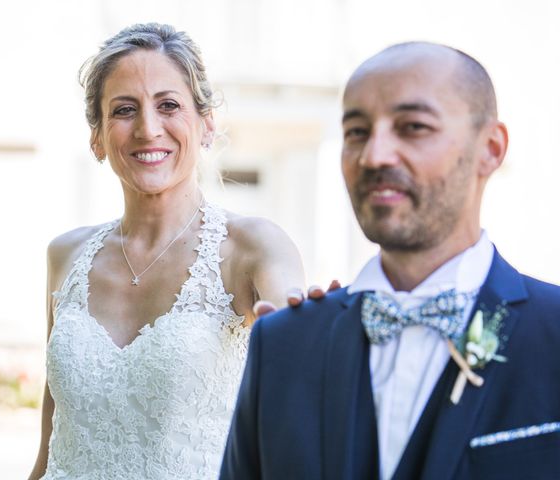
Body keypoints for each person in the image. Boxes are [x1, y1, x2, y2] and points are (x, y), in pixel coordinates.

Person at [220, 42, 560, 480]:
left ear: (490, 148)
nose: (374, 156)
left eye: (413, 127)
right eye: (357, 132)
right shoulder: (283, 344)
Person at [27, 23, 305, 480]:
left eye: (169, 105)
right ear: (97, 137)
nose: (148, 129)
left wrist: (318, 322)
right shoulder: (65, 256)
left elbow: (305, 372)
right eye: (124, 110)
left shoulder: (253, 247)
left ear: (206, 125)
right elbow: (51, 446)